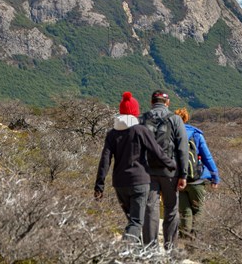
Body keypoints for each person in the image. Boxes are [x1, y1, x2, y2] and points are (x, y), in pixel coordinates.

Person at [94, 91, 176, 244]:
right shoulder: (140, 130)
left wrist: (99, 185)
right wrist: (171, 164)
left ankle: (135, 255)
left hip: (119, 183)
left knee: (132, 222)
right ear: (135, 112)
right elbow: (156, 151)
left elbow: (105, 159)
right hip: (140, 181)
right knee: (137, 222)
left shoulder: (112, 134)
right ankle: (125, 250)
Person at [141, 90, 188, 250]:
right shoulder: (175, 119)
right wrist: (184, 174)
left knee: (150, 209)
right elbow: (182, 148)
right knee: (171, 209)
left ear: (151, 101)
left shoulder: (142, 119)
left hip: (147, 172)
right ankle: (171, 249)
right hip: (170, 172)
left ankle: (150, 249)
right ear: (167, 103)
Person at [174, 107, 220, 240]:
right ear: (186, 119)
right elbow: (207, 157)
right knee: (198, 210)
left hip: (179, 180)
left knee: (185, 211)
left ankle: (184, 239)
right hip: (197, 180)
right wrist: (215, 177)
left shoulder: (171, 135)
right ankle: (195, 241)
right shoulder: (196, 135)